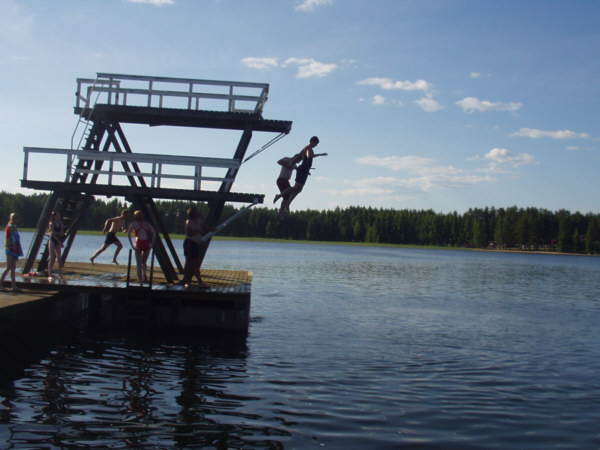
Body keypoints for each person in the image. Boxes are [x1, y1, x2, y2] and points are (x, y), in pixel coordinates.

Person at [275, 136, 327, 218]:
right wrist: (320, 154)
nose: (316, 146)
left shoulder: (306, 148)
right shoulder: (308, 148)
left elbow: (300, 156)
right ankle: (280, 196)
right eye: (316, 144)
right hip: (303, 169)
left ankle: (287, 204)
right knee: (296, 187)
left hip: (304, 170)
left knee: (299, 189)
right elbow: (309, 156)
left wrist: (301, 168)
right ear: (312, 142)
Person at [183, 206, 216, 289]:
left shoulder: (199, 221)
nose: (198, 213)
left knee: (196, 264)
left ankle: (200, 283)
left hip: (195, 244)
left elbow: (206, 227)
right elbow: (188, 233)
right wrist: (198, 231)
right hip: (189, 243)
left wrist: (213, 229)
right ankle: (187, 282)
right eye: (196, 212)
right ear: (193, 214)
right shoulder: (188, 222)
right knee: (188, 262)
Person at [127, 210, 156, 285]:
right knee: (143, 263)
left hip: (138, 243)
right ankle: (144, 275)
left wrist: (132, 245)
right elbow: (154, 233)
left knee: (139, 264)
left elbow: (128, 234)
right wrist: (151, 244)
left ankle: (141, 282)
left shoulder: (133, 224)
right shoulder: (146, 224)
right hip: (146, 243)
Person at [273, 152, 303, 217]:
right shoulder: (287, 159)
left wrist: (305, 171)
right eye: (298, 161)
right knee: (288, 195)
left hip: (286, 181)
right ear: (295, 157)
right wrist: (287, 165)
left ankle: (281, 211)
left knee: (288, 196)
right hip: (281, 180)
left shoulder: (294, 164)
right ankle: (281, 211)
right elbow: (279, 161)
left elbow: (297, 169)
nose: (298, 162)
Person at [1, 212, 23, 293]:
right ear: (14, 219)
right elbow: (9, 238)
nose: (18, 220)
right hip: (10, 249)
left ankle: (14, 286)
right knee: (8, 267)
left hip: (15, 249)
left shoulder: (14, 227)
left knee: (13, 268)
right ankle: (0, 285)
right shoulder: (9, 227)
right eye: (17, 219)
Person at [47, 211, 65, 281]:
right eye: (57, 216)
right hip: (52, 240)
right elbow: (52, 234)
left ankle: (60, 274)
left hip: (58, 241)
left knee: (59, 258)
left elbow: (62, 232)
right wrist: (59, 241)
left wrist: (62, 235)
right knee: (52, 257)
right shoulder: (52, 223)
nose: (58, 217)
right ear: (54, 216)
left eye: (59, 216)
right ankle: (50, 274)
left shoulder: (60, 223)